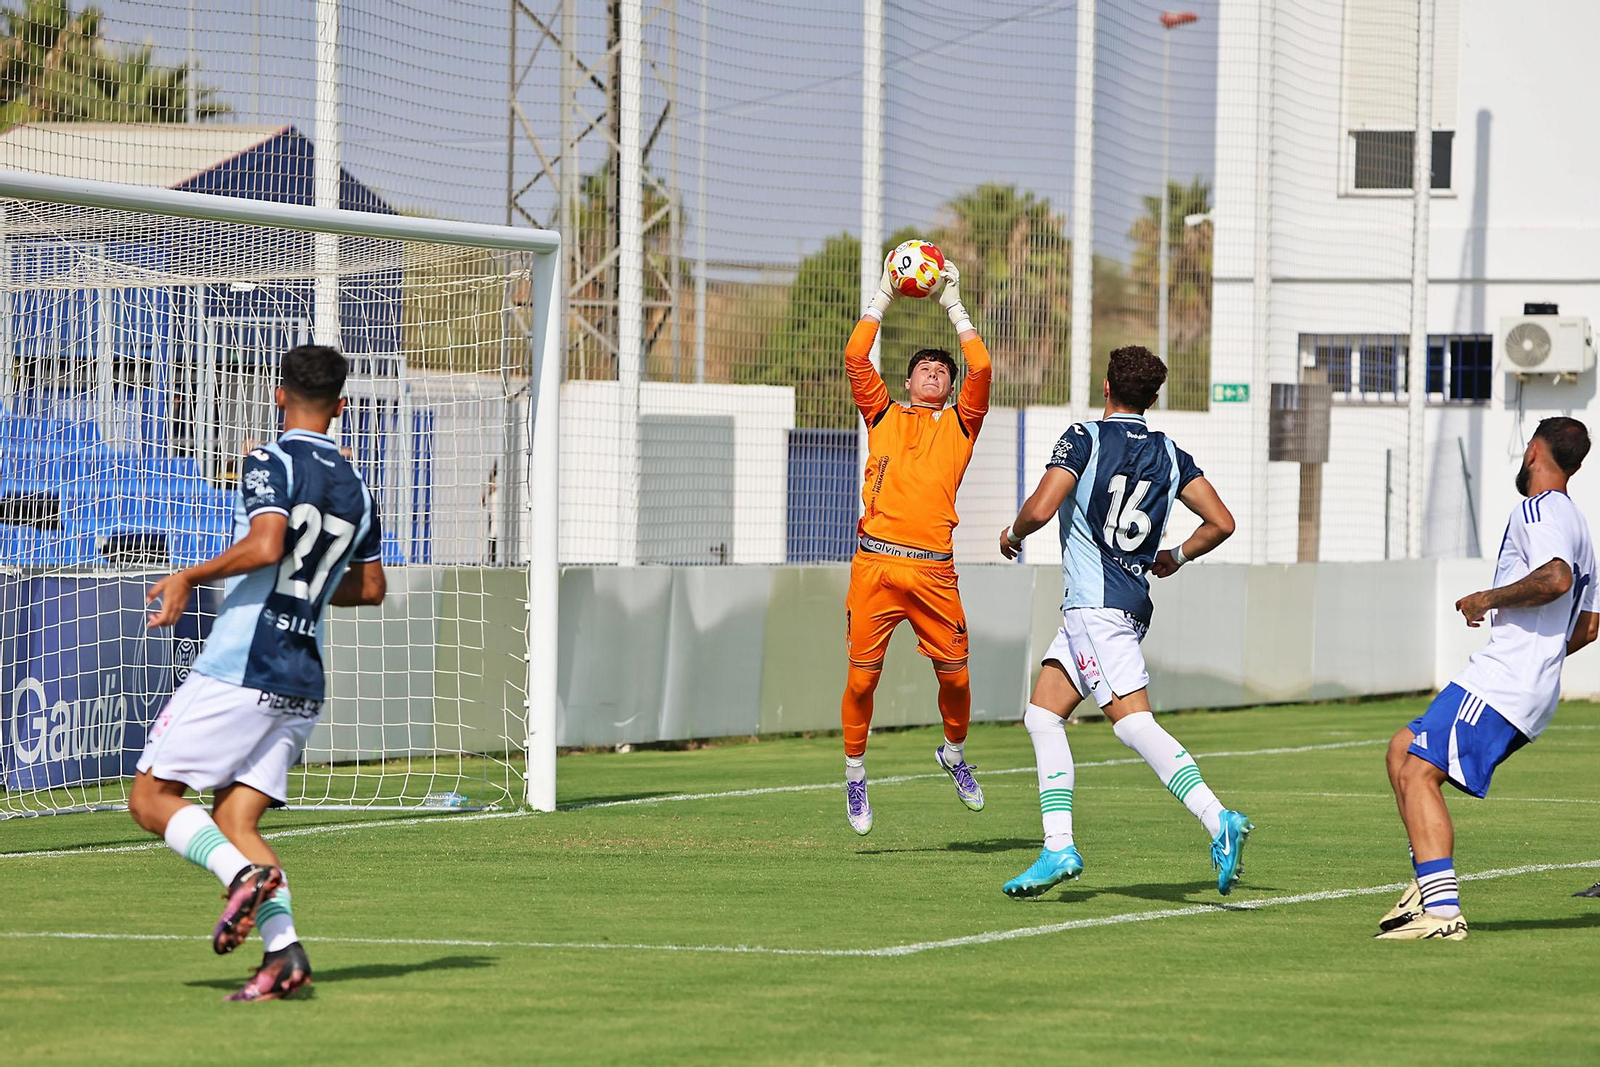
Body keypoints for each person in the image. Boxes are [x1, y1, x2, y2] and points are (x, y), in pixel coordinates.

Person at [126, 344, 387, 1000]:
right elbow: (373, 587)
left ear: (278, 395)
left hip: (244, 661)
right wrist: (314, 585)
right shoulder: (358, 486)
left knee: (151, 797)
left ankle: (241, 880)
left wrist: (189, 572)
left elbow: (268, 543)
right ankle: (285, 956)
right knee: (239, 822)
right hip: (301, 675)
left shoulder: (269, 461)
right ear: (342, 406)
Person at [996, 345, 1250, 898]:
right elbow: (1222, 522)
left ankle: (1217, 819)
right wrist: (1176, 556)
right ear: (1153, 399)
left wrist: (1013, 536)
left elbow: (1041, 509)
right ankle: (1057, 845)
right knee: (1042, 717)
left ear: (1106, 387)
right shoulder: (1168, 451)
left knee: (1132, 723)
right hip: (1124, 605)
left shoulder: (1084, 438)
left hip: (1095, 607)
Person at [1377, 417, 1597, 940]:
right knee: (1402, 749)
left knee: (1416, 774)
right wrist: (1540, 657)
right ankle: (1427, 884)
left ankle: (1442, 914)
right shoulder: (1580, 525)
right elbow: (1588, 626)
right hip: (1526, 682)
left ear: (1532, 451)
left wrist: (1486, 599)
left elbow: (1555, 578)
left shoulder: (1540, 509)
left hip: (1506, 679)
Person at [839, 256, 991, 835]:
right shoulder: (882, 415)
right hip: (875, 565)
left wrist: (952, 302)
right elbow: (856, 357)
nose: (933, 372)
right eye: (923, 367)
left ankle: (953, 755)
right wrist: (883, 293)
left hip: (933, 574)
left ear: (951, 388)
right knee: (861, 680)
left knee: (955, 679)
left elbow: (982, 365)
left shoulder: (961, 424)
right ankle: (855, 773)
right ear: (906, 381)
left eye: (940, 370)